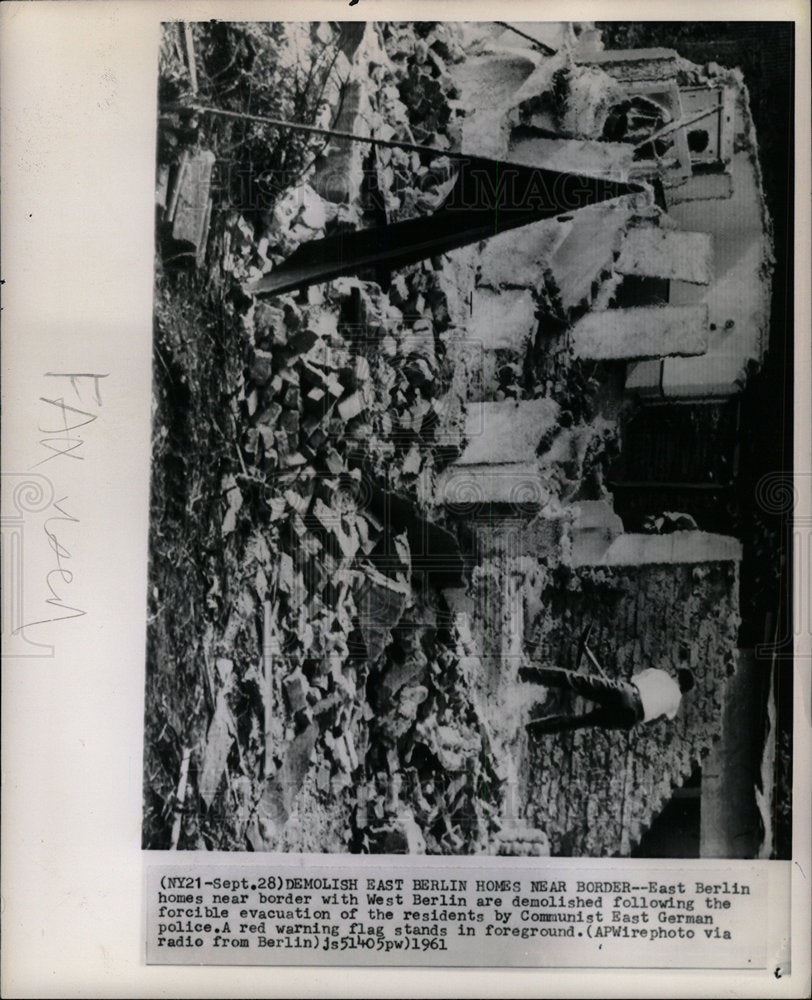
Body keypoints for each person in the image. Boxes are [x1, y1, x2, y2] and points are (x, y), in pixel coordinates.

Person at [519, 663, 694, 735]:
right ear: (683, 690)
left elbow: (633, 680)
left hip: (627, 693)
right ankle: (533, 729)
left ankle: (527, 672)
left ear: (676, 675)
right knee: (580, 722)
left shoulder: (661, 674)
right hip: (630, 718)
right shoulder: (675, 705)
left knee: (574, 681)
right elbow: (652, 723)